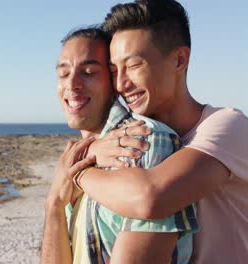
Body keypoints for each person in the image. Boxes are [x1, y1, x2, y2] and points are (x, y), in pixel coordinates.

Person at [69, 1, 248, 263]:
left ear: (179, 60)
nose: (121, 84)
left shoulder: (228, 126)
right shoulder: (136, 138)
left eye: (133, 66)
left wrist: (78, 173)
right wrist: (93, 149)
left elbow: (151, 197)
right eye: (114, 70)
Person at [41, 26, 198, 264]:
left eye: (89, 72)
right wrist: (53, 205)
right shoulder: (73, 161)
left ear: (114, 80)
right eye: (63, 74)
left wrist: (77, 174)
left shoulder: (143, 141)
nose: (72, 84)